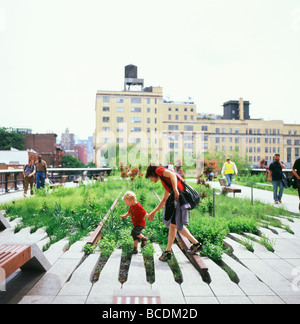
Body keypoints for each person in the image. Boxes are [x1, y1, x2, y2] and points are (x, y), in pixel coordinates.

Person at [146, 164, 202, 262]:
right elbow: (164, 199)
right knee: (174, 226)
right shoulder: (165, 180)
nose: (151, 180)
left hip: (183, 198)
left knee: (176, 226)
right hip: (181, 199)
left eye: (150, 177)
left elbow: (173, 175)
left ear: (152, 173)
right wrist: (153, 212)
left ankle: (196, 244)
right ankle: (168, 251)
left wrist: (175, 189)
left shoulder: (159, 170)